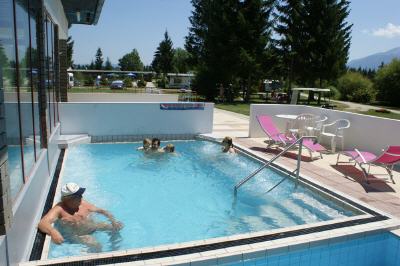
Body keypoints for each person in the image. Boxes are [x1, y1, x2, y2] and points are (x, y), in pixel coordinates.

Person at [38, 183, 123, 251]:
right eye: (78, 196)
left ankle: (115, 249)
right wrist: (53, 232)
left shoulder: (82, 202)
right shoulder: (59, 209)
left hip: (93, 226)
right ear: (68, 199)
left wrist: (113, 221)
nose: (81, 197)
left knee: (114, 228)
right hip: (79, 235)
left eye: (80, 194)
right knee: (96, 245)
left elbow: (101, 211)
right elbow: (43, 223)